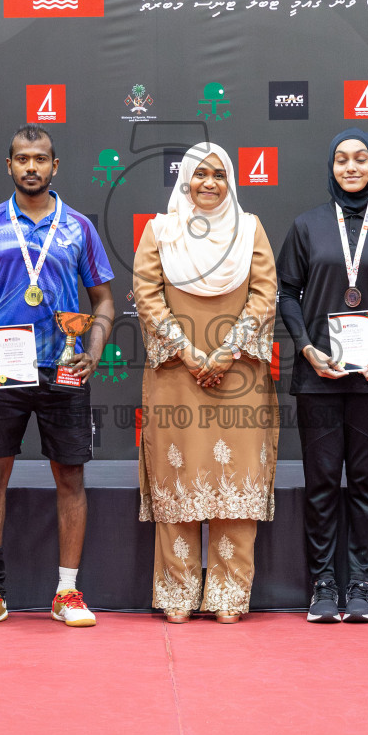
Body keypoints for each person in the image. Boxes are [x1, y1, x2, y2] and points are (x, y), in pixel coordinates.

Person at [0, 124, 115, 629]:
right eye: (22, 159)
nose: (31, 167)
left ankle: (67, 593)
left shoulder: (79, 227)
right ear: (9, 166)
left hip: (64, 368)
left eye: (40, 159)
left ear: (55, 166)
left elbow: (105, 302)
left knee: (70, 476)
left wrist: (91, 350)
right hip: (4, 368)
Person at [278, 129, 368, 623]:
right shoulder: (307, 225)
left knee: (364, 482)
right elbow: (286, 293)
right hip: (319, 375)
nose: (351, 167)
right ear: (331, 167)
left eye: (361, 159)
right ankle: (322, 583)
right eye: (342, 160)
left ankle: (360, 583)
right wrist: (307, 348)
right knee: (320, 483)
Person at [136, 142, 279, 623]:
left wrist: (228, 349)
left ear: (230, 180)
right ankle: (177, 594)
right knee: (179, 480)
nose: (210, 183)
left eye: (219, 174)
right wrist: (189, 352)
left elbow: (264, 292)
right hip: (177, 374)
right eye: (200, 174)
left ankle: (227, 595)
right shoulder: (160, 231)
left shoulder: (251, 229)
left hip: (239, 373)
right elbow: (146, 294)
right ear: (185, 180)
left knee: (236, 483)